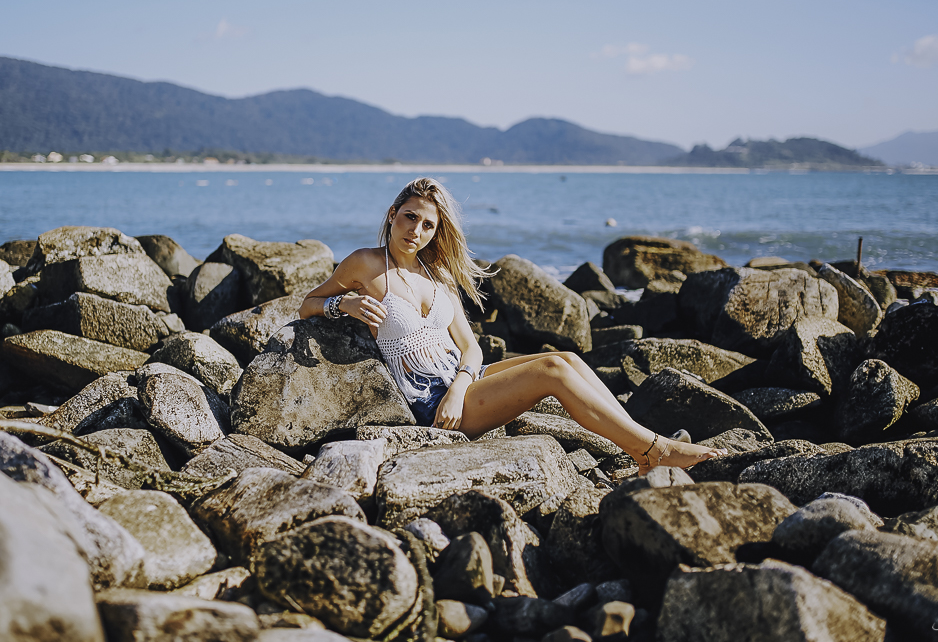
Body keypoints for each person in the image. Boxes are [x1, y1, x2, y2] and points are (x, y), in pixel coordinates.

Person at [299, 177, 725, 474]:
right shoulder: (366, 264)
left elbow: (471, 348)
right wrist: (344, 303)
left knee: (568, 358)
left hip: (460, 384)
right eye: (410, 217)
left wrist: (460, 387)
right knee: (552, 372)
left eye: (428, 224)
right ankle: (655, 449)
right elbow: (307, 305)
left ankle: (641, 445)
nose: (417, 230)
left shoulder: (438, 275)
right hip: (430, 403)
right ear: (393, 215)